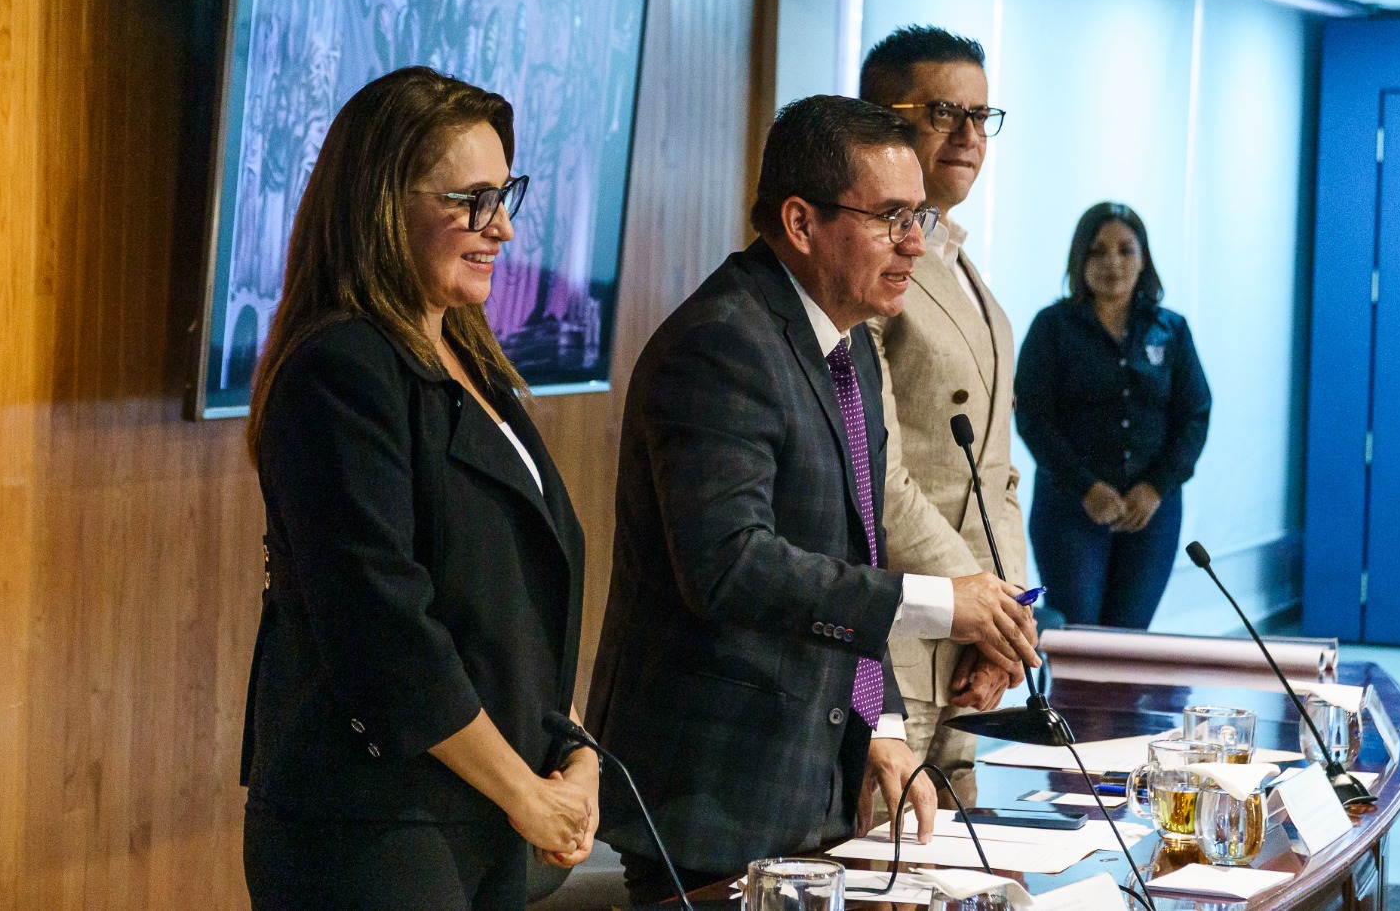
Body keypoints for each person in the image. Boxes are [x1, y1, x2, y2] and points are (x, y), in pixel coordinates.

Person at [586, 95, 1042, 904]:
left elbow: (851, 560)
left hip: (807, 778)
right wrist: (945, 604)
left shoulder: (849, 345)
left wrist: (887, 729)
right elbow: (729, 567)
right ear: (800, 222)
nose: (915, 244)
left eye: (920, 218)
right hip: (713, 788)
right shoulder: (724, 342)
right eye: (893, 218)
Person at [239, 66, 597, 911]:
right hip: (373, 833)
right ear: (380, 205)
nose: (501, 227)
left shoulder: (474, 363)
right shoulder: (340, 372)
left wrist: (574, 751)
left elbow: (516, 601)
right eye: (472, 200)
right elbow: (384, 631)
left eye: (505, 194)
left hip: (479, 821)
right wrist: (525, 793)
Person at [858, 26, 1030, 804]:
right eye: (943, 113)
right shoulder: (864, 268)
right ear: (881, 119)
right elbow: (875, 470)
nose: (968, 135)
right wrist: (977, 600)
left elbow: (997, 469)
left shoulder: (955, 256)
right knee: (880, 865)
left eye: (982, 117)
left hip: (970, 644)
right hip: (893, 640)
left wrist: (1010, 620)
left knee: (954, 874)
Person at [1014, 202, 1212, 630]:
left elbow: (1195, 415)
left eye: (1126, 250)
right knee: (1079, 639)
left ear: (1144, 259)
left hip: (1151, 514)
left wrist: (1156, 487)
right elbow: (1033, 418)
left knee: (1128, 643)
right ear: (1079, 259)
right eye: (1098, 251)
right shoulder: (1052, 328)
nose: (1113, 263)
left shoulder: (1171, 330)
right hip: (1071, 510)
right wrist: (1086, 487)